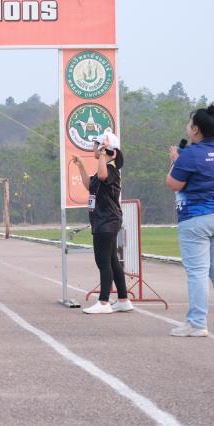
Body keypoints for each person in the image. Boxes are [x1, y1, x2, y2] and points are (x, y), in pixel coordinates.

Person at [166, 104, 214, 337]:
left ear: (196, 129)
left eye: (190, 123)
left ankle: (197, 323)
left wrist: (175, 161)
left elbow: (173, 183)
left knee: (197, 272)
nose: (188, 127)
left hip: (197, 217)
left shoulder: (191, 153)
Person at [71, 135, 132, 314]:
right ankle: (123, 300)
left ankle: (104, 302)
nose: (94, 147)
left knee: (103, 262)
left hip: (106, 221)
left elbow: (103, 175)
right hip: (103, 221)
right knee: (112, 261)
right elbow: (89, 184)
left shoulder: (110, 169)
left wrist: (103, 152)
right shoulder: (103, 168)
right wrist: (81, 166)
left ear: (107, 149)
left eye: (96, 144)